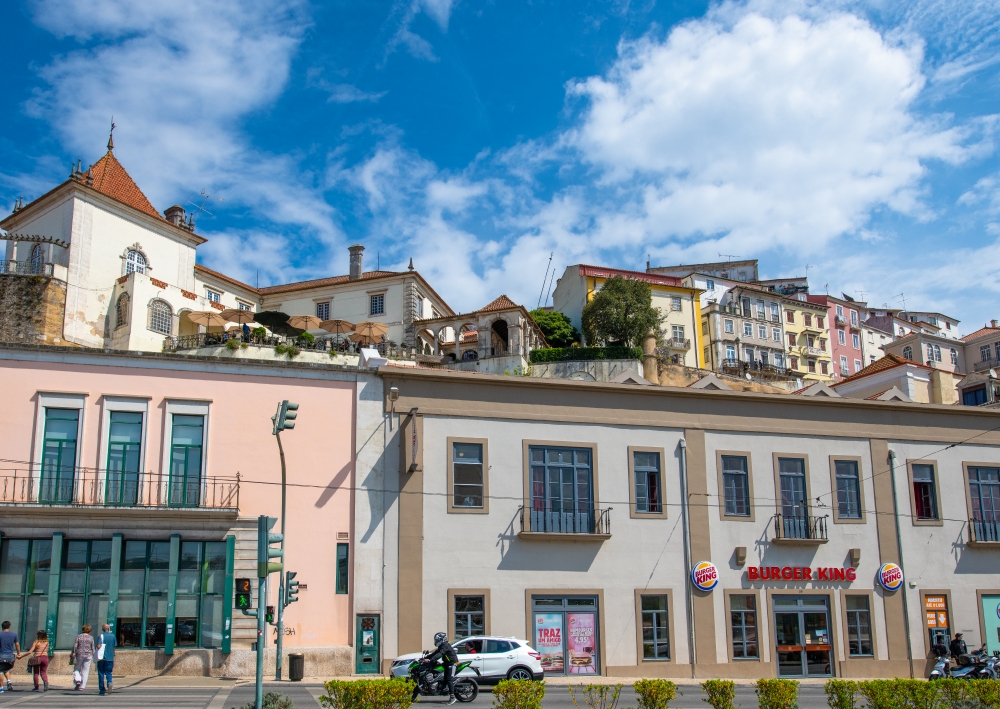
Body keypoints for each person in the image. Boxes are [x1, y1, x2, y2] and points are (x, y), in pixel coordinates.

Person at [422, 631, 458, 705]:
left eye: (437, 640)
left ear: (442, 639)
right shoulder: (441, 646)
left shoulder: (445, 646)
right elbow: (435, 653)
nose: (436, 641)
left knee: (448, 678)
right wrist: (425, 658)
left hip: (451, 663)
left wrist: (430, 660)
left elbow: (440, 654)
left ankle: (452, 697)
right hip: (447, 662)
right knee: (438, 672)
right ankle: (442, 687)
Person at [71, 625, 95, 690]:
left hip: (79, 654)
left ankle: (78, 680)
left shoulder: (79, 636)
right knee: (85, 671)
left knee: (76, 668)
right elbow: (92, 647)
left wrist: (72, 653)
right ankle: (82, 686)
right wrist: (94, 654)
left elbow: (75, 646)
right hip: (88, 655)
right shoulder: (91, 638)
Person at [0, 620, 20, 692]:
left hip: (1, 655)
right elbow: (17, 644)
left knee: (0, 671)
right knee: (6, 669)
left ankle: (1, 688)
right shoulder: (14, 635)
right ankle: (8, 681)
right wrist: (18, 653)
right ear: (9, 627)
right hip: (10, 656)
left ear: (2, 627)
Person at [96, 624, 116, 695]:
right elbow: (114, 646)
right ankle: (109, 682)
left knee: (101, 673)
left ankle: (102, 689)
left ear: (102, 629)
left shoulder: (100, 636)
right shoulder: (113, 636)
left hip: (101, 657)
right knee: (109, 672)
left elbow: (98, 646)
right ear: (109, 629)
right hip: (110, 657)